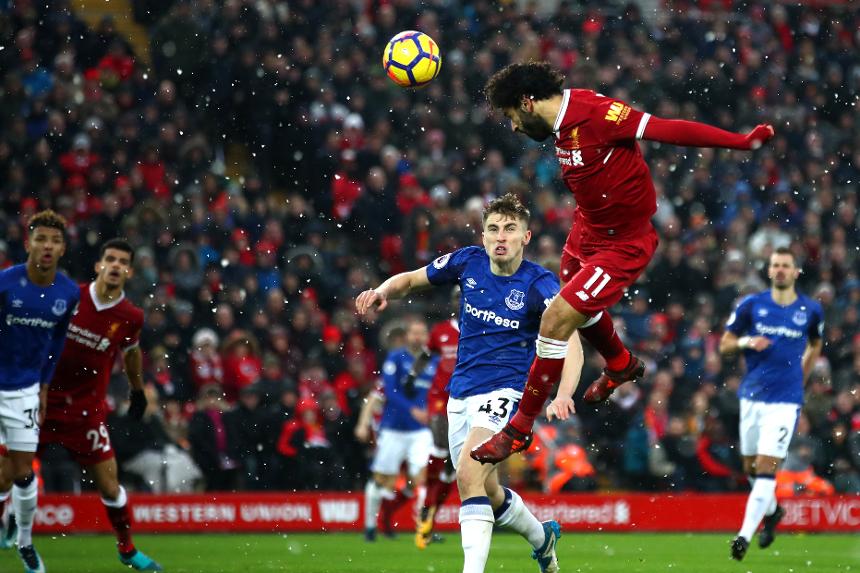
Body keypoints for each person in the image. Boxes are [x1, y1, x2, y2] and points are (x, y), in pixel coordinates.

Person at [471, 61, 775, 464]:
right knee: (578, 311)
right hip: (585, 233)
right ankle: (620, 362)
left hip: (624, 244)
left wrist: (742, 142)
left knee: (555, 319)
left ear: (527, 104)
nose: (512, 127)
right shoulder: (563, 124)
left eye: (511, 117)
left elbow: (668, 129)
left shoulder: (596, 114)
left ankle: (519, 429)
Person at [356, 193, 577, 573]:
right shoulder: (468, 262)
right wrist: (382, 291)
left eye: (510, 229)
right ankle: (543, 539)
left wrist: (564, 392)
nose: (500, 237)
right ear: (484, 235)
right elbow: (411, 280)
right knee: (485, 492)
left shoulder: (539, 284)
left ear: (526, 237)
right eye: (493, 229)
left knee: (470, 472)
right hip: (460, 396)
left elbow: (570, 340)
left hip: (507, 393)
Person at [36, 238, 162, 571]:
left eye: (123, 261)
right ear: (98, 265)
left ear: (130, 271)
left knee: (110, 485)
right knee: (7, 475)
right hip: (42, 399)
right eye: (111, 259)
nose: (116, 265)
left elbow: (131, 352)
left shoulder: (131, 316)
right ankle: (11, 532)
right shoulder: (70, 295)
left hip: (86, 411)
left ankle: (127, 549)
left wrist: (137, 390)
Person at [718, 247, 823, 560]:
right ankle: (774, 511)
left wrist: (801, 379)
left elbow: (816, 344)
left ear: (795, 272)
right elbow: (724, 345)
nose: (780, 270)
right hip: (752, 397)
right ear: (769, 271)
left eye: (785, 266)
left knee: (765, 468)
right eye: (775, 265)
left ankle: (743, 537)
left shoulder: (811, 310)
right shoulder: (752, 305)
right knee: (750, 467)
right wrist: (746, 342)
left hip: (785, 401)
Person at [0, 210, 80, 573]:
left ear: (62, 248)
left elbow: (58, 340)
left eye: (54, 240)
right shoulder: (5, 283)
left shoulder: (68, 292)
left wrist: (45, 385)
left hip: (25, 392)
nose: (47, 246)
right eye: (40, 239)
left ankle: (25, 541)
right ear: (28, 243)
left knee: (22, 472)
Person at [357, 317, 436, 541]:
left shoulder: (433, 361)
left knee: (422, 477)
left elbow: (438, 391)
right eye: (414, 333)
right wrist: (413, 410)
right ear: (407, 336)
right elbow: (388, 393)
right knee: (381, 480)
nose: (418, 337)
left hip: (420, 431)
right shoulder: (395, 358)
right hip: (393, 428)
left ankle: (424, 528)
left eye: (422, 333)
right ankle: (370, 527)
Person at [415, 288, 460, 549]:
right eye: (458, 298)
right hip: (441, 400)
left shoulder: (481, 327)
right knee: (441, 451)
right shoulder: (441, 330)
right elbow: (426, 353)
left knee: (453, 470)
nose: (461, 302)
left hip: (467, 399)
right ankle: (427, 507)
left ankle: (429, 512)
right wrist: (413, 374)